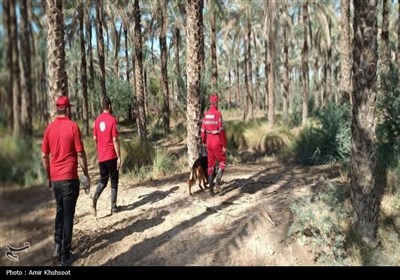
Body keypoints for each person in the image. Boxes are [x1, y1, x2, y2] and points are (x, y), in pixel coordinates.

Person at [41, 95, 90, 266]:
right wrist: (86, 173)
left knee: (60, 211)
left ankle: (57, 246)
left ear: (57, 109)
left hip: (55, 180)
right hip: (69, 178)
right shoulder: (73, 127)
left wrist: (49, 176)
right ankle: (65, 254)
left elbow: (44, 156)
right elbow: (81, 153)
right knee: (68, 215)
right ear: (67, 109)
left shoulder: (49, 129)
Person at [92, 96, 121, 216]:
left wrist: (99, 149)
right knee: (114, 181)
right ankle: (113, 207)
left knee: (103, 180)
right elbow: (115, 139)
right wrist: (119, 157)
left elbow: (95, 138)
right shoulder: (112, 120)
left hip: (102, 156)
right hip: (111, 156)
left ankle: (94, 199)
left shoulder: (97, 120)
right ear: (109, 106)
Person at [201, 94, 227, 196]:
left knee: (210, 165)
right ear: (216, 103)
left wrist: (204, 141)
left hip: (209, 142)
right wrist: (224, 145)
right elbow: (222, 131)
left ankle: (211, 191)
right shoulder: (218, 114)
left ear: (210, 103)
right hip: (217, 141)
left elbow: (202, 131)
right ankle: (217, 183)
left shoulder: (206, 115)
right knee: (223, 161)